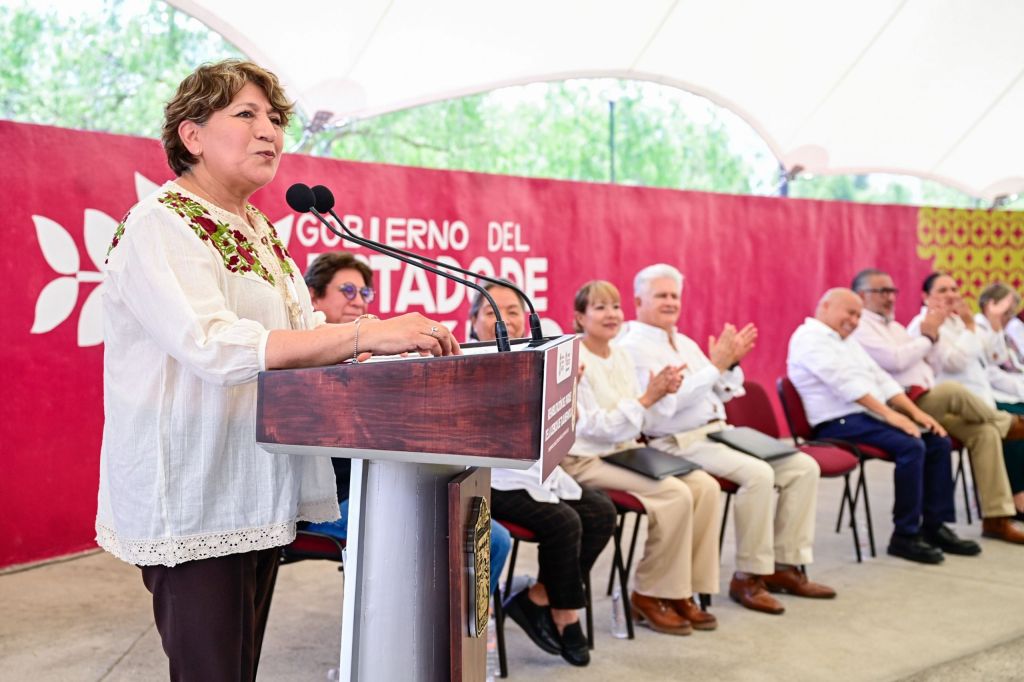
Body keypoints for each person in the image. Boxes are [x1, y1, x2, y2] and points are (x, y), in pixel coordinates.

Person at [97, 60, 459, 681]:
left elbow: (297, 329)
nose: (269, 131)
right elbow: (215, 344)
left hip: (255, 484)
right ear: (192, 135)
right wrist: (359, 334)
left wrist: (373, 345)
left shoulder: (259, 227)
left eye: (274, 119)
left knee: (239, 667)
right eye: (246, 114)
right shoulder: (162, 223)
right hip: (195, 491)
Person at [618, 264, 834, 616]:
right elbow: (665, 406)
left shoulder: (684, 342)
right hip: (677, 440)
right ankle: (749, 576)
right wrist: (715, 368)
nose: (670, 302)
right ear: (639, 301)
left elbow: (723, 389)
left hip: (718, 431)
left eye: (674, 295)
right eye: (661, 295)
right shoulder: (632, 348)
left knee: (803, 467)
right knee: (759, 475)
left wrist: (729, 365)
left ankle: (784, 566)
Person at [302, 251, 512, 593]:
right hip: (331, 497)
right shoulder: (302, 357)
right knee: (442, 539)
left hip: (387, 481)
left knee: (493, 538)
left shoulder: (374, 353)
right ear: (314, 296)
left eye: (364, 292)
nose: (358, 300)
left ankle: (464, 625)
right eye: (347, 291)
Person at [560, 280, 720, 635]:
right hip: (585, 460)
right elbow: (591, 427)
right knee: (675, 495)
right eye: (600, 307)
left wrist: (661, 394)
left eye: (615, 306)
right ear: (580, 317)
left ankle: (684, 591)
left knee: (705, 486)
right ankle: (649, 594)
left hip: (625, 452)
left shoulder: (621, 355)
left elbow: (641, 419)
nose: (611, 314)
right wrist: (647, 399)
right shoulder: (574, 359)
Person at [471, 282, 616, 667]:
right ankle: (565, 614)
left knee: (601, 512)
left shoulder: (537, 358)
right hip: (488, 476)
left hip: (535, 471)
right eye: (492, 311)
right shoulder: (465, 362)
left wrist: (567, 388)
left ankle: (539, 596)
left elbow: (560, 428)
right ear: (474, 322)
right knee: (564, 523)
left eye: (513, 311)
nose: (505, 319)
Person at [788, 288, 978, 564]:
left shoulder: (845, 341)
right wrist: (891, 416)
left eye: (858, 315)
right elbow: (845, 385)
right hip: (836, 423)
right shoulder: (809, 338)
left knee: (937, 440)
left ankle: (934, 526)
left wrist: (916, 414)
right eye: (850, 313)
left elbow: (881, 378)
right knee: (911, 446)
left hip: (865, 417)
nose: (854, 321)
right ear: (826, 306)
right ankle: (905, 535)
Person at [850, 269, 1024, 543]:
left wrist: (969, 327)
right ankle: (1009, 424)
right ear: (926, 297)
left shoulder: (897, 327)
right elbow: (929, 362)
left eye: (954, 289)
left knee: (985, 433)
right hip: (910, 401)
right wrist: (932, 336)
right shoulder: (906, 324)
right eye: (942, 290)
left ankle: (996, 518)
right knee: (954, 392)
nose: (951, 295)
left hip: (941, 401)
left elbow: (962, 360)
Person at [974, 282, 1024, 521]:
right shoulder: (977, 330)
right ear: (989, 306)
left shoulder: (1003, 332)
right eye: (1006, 311)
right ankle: (1017, 496)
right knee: (1015, 424)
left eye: (1012, 312)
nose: (1009, 317)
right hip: (986, 395)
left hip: (1009, 392)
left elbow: (1016, 366)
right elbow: (991, 371)